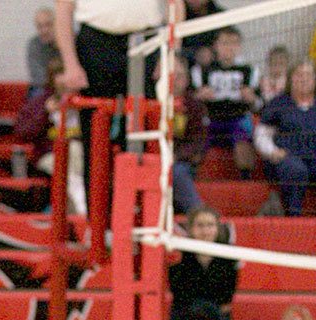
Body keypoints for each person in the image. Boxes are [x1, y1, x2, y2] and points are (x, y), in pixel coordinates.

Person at [55, 0, 182, 193]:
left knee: (144, 131)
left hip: (146, 40)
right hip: (96, 42)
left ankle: (140, 209)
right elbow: (63, 9)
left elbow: (176, 5)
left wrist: (171, 55)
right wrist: (70, 64)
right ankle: (97, 218)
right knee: (95, 136)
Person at [255, 60, 316, 217]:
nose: (303, 79)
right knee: (295, 170)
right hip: (288, 157)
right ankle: (294, 219)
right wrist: (272, 151)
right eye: (299, 75)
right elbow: (262, 134)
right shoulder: (278, 103)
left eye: (308, 75)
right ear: (291, 78)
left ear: (315, 80)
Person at [169, 208, 248, 320]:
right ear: (191, 229)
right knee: (205, 309)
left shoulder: (228, 255)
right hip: (184, 318)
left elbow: (227, 299)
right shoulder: (180, 255)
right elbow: (181, 297)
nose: (205, 230)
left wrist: (208, 308)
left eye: (210, 225)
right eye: (200, 225)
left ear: (218, 228)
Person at [14, 59, 87, 213]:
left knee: (74, 152)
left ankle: (76, 209)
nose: (65, 80)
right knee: (68, 164)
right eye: (59, 74)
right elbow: (23, 133)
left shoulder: (87, 103)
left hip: (82, 158)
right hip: (49, 156)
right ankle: (80, 211)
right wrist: (45, 113)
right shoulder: (40, 102)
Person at [191, 26, 260, 179]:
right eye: (224, 43)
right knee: (196, 136)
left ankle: (246, 180)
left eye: (233, 43)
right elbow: (191, 100)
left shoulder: (249, 71)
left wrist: (252, 98)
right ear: (215, 46)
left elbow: (259, 104)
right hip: (210, 119)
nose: (229, 47)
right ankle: (192, 176)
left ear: (239, 46)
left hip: (238, 119)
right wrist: (199, 96)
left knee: (243, 135)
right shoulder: (202, 71)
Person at [169, 57, 207, 214]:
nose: (175, 80)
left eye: (179, 76)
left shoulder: (195, 106)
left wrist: (176, 156)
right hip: (154, 159)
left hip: (181, 162)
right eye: (171, 75)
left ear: (186, 79)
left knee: (177, 172)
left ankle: (199, 217)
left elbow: (198, 141)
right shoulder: (151, 101)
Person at [27, 6, 61, 92]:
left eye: (48, 25)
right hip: (43, 87)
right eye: (40, 26)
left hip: (67, 88)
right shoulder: (34, 44)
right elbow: (38, 77)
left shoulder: (69, 43)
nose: (44, 30)